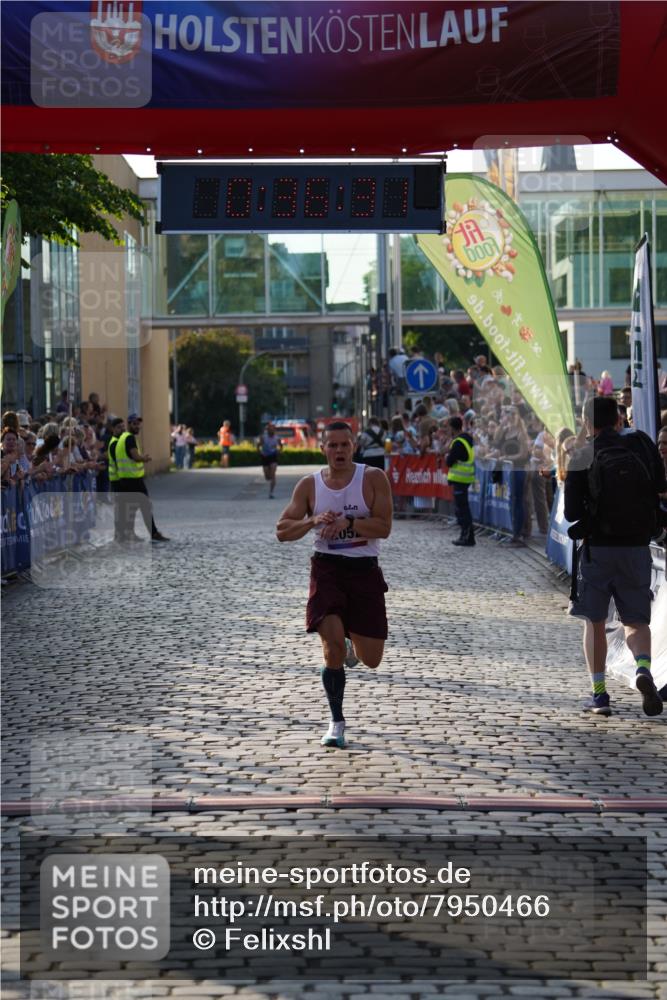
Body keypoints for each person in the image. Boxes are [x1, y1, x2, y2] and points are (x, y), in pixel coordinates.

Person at [276, 421, 392, 749]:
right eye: (332, 445)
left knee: (371, 659)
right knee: (332, 650)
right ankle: (336, 722)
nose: (338, 451)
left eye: (344, 445)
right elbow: (282, 530)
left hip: (364, 570)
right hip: (326, 570)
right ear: (323, 448)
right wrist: (312, 520)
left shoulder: (372, 478)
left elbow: (384, 527)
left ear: (353, 447)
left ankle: (350, 635)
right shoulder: (309, 486)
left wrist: (349, 522)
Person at [565, 396, 666, 718]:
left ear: (585, 423)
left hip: (598, 550)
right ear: (619, 420)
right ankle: (644, 670)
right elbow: (661, 489)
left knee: (594, 623)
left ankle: (599, 696)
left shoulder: (582, 455)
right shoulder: (642, 445)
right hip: (637, 547)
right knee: (635, 621)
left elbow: (570, 513)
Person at [114, 413, 169, 542]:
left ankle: (127, 534)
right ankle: (154, 533)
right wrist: (144, 458)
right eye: (134, 424)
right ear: (129, 424)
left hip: (124, 479)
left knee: (129, 508)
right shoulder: (130, 438)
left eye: (139, 424)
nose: (137, 426)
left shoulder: (123, 438)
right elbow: (135, 456)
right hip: (133, 480)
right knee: (145, 506)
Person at [445, 415, 476, 547]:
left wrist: (448, 456)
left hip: (460, 479)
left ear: (452, 428)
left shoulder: (458, 442)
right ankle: (466, 536)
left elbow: (450, 461)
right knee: (463, 509)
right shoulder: (467, 438)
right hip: (466, 477)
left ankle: (467, 537)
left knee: (462, 510)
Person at [258, 422, 281, 498]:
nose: (271, 431)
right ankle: (270, 477)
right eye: (270, 429)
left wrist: (279, 452)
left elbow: (280, 445)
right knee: (267, 477)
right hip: (265, 457)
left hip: (273, 456)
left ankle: (271, 492)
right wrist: (260, 453)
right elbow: (258, 445)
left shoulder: (277, 438)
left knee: (273, 474)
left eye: (273, 429)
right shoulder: (263, 437)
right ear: (267, 430)